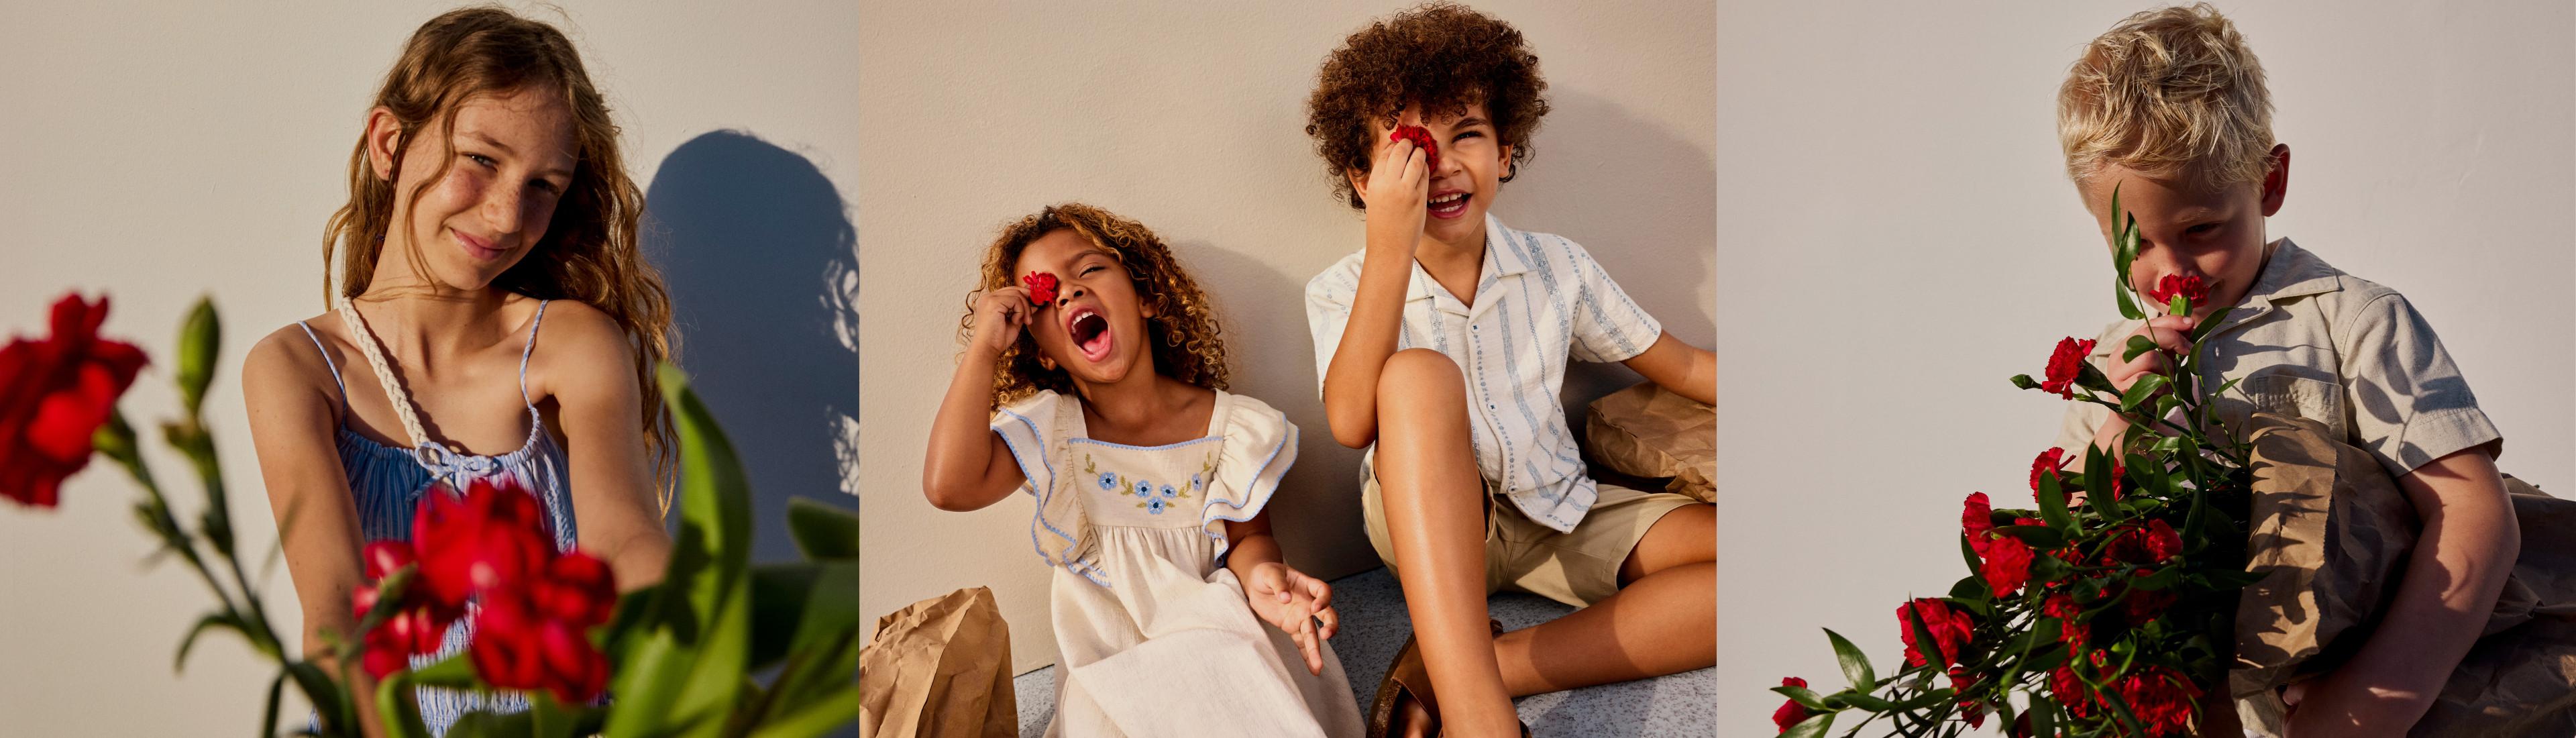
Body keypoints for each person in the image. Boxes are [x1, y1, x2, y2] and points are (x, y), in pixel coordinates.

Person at [2049, 6, 2520, 735]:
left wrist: (2372, 700)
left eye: (2202, 229)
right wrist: (2118, 422)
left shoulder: (2350, 323)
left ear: (2270, 181)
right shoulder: (2111, 367)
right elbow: (2075, 555)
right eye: (2136, 244)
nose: (2172, 270)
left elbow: (2475, 514)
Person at [241, 8, 674, 735]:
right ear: (389, 143)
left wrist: (695, 640)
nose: (506, 215)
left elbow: (625, 542)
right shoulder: (299, 368)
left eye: (544, 186)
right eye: (481, 159)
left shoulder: (570, 345)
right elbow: (338, 617)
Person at [1301, 4, 1718, 736]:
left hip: (1560, 505)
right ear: (1365, 180)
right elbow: (1349, 421)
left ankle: (1468, 665)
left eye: (1466, 134)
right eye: (1410, 150)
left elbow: (1680, 362)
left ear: (1505, 151)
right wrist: (1390, 245)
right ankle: (1479, 718)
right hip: (1431, 535)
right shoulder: (1343, 287)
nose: (1441, 164)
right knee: (1418, 376)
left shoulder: (1558, 266)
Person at [922, 203, 1365, 737]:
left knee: (1235, 687)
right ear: (1042, 353)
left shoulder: (1229, 428)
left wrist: (1264, 577)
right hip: (1112, 663)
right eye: (1044, 295)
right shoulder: (1054, 432)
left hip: (1217, 630)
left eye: (1089, 270)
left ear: (1147, 297)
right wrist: (985, 348)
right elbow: (949, 487)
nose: (1069, 292)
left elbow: (1249, 540)